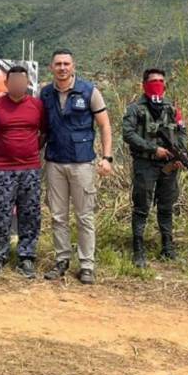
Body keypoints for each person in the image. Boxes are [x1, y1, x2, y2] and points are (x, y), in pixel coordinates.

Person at [40, 49, 112, 285]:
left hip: (82, 163)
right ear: (51, 67)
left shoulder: (90, 92)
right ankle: (61, 260)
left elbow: (104, 125)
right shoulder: (46, 94)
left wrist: (107, 157)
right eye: (58, 64)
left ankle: (87, 265)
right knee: (58, 216)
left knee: (84, 217)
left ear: (73, 66)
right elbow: (41, 128)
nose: (62, 67)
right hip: (55, 162)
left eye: (66, 64)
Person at [122, 68, 186, 268]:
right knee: (142, 206)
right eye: (153, 81)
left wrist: (180, 154)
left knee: (166, 206)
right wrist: (153, 149)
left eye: (160, 81)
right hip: (145, 163)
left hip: (169, 164)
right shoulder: (135, 109)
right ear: (144, 85)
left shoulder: (172, 108)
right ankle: (138, 250)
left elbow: (182, 132)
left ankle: (168, 247)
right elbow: (128, 134)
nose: (157, 84)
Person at [0, 65, 47, 278]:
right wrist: (0, 153)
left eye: (23, 81)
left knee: (30, 214)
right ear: (7, 83)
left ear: (27, 83)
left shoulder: (37, 106)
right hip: (3, 169)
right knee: (1, 214)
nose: (18, 85)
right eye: (14, 81)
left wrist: (29, 151)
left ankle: (26, 257)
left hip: (30, 168)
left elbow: (43, 134)